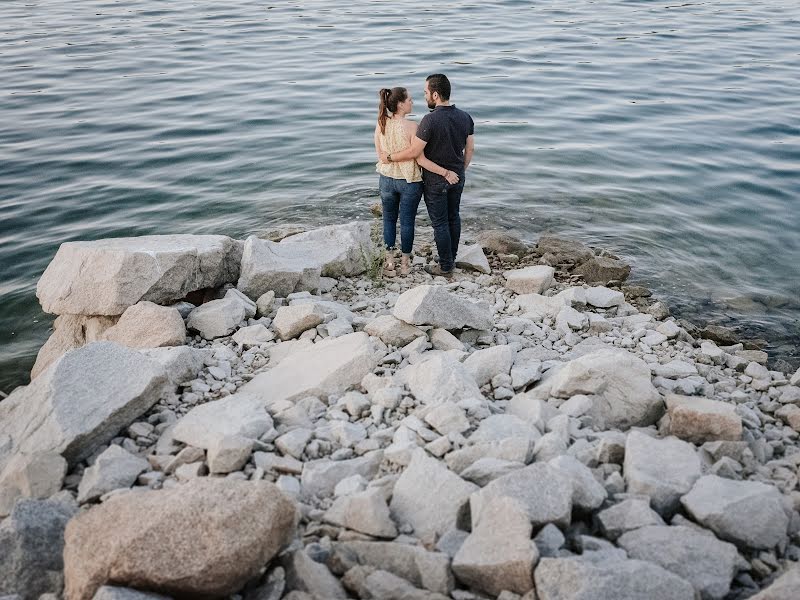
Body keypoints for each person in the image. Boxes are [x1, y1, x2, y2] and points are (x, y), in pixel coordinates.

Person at [381, 74, 474, 278]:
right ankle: (450, 258)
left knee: (440, 222)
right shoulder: (465, 117)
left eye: (425, 93)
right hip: (457, 177)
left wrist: (389, 157)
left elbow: (416, 153)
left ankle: (446, 266)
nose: (424, 98)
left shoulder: (429, 120)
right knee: (453, 217)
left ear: (435, 94)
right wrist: (459, 172)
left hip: (435, 180)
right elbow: (469, 150)